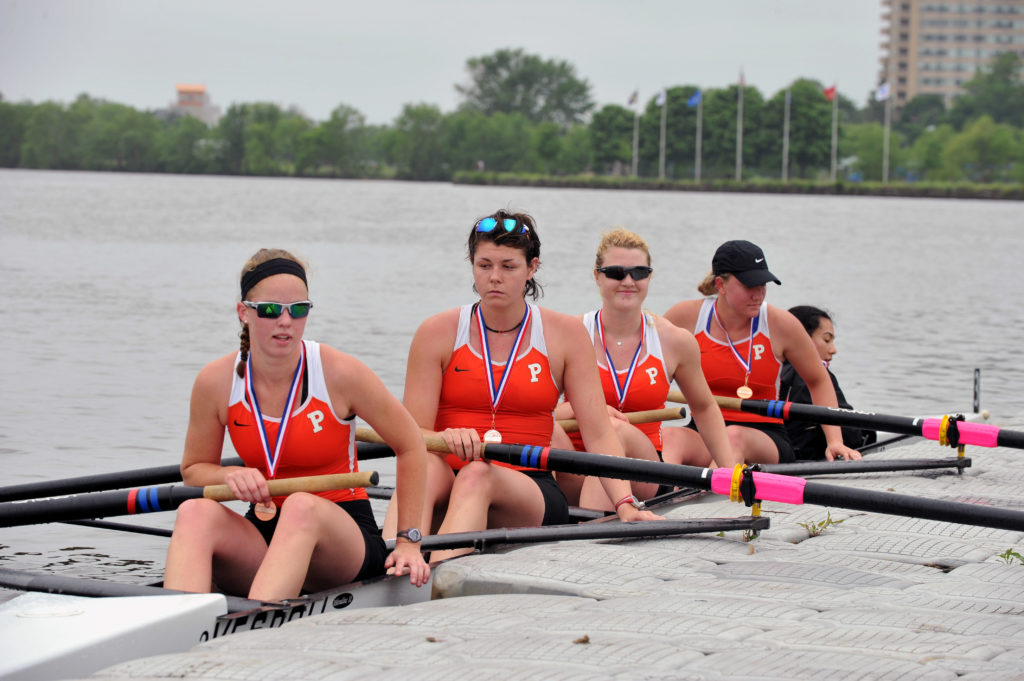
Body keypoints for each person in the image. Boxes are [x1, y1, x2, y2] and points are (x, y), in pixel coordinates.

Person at [384, 210, 662, 561]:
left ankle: (433, 576)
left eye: (508, 266)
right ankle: (392, 560)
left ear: (532, 268)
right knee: (425, 466)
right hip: (447, 473)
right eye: (484, 266)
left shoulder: (564, 335)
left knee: (477, 474)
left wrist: (624, 504)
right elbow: (413, 436)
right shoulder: (435, 333)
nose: (494, 278)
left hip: (528, 488)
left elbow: (598, 432)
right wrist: (446, 435)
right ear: (472, 265)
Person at [164, 248, 430, 600]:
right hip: (264, 528)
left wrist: (408, 541)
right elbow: (194, 469)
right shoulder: (215, 382)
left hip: (340, 538)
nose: (286, 321)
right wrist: (229, 476)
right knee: (194, 511)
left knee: (301, 506)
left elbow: (411, 444)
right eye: (271, 310)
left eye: (298, 310)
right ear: (244, 313)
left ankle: (255, 626)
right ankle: (178, 629)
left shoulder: (339, 372)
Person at [554, 228, 740, 510]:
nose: (628, 281)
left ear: (649, 277)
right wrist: (583, 410)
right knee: (549, 431)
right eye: (616, 272)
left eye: (639, 272)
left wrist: (729, 473)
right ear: (597, 276)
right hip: (579, 465)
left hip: (645, 469)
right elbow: (541, 412)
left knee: (614, 430)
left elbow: (703, 407)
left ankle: (586, 537)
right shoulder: (570, 334)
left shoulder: (674, 341)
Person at [664, 240, 861, 464]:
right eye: (750, 286)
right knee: (670, 437)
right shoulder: (685, 318)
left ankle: (711, 492)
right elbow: (650, 372)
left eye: (763, 285)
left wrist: (834, 440)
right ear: (720, 285)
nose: (759, 295)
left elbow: (818, 380)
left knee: (733, 437)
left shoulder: (781, 324)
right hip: (703, 430)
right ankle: (667, 494)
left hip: (766, 436)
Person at [780, 305, 877, 459]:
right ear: (802, 338)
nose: (833, 350)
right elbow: (851, 436)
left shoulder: (774, 369)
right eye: (826, 340)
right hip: (805, 458)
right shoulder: (816, 375)